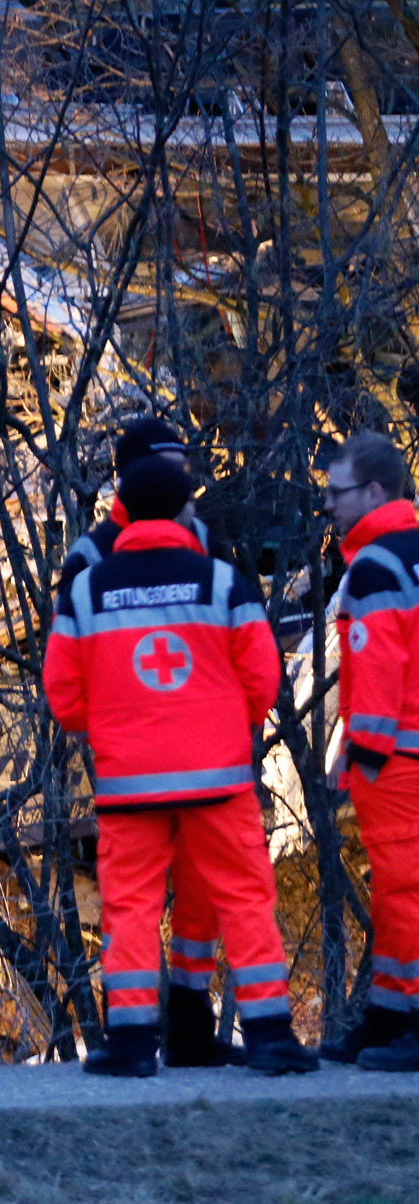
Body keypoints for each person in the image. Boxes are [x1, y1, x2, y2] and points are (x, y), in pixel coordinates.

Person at [45, 455, 316, 1076]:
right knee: (245, 900)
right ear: (182, 510)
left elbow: (64, 696)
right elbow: (262, 678)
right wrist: (218, 728)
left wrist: (116, 727)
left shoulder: (86, 589)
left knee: (129, 911)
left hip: (128, 786)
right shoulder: (220, 581)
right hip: (217, 781)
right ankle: (272, 1034)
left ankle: (134, 1044)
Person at [57, 416, 238, 1067]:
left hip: (206, 758)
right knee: (131, 902)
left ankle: (192, 1025)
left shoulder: (205, 543)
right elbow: (67, 663)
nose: (185, 479)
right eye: (170, 465)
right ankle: (131, 1031)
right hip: (131, 759)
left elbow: (238, 637)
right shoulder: (92, 555)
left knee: (203, 897)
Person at [320, 431, 419, 1070]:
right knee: (398, 891)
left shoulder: (377, 566)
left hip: (399, 756)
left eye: (338, 493)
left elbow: (377, 666)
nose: (327, 505)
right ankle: (388, 1016)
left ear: (375, 491)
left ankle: (405, 1022)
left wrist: (362, 753)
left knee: (404, 889)